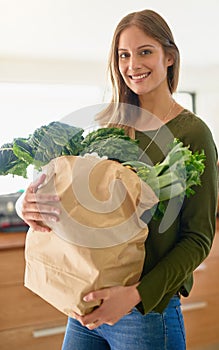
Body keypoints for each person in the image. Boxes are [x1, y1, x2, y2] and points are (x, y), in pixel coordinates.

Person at [17, 9, 218, 350]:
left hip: (146, 312)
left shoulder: (192, 133)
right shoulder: (111, 126)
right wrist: (29, 204)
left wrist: (135, 296)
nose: (133, 64)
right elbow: (83, 208)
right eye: (124, 55)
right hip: (86, 302)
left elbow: (198, 239)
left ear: (169, 57)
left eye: (145, 52)